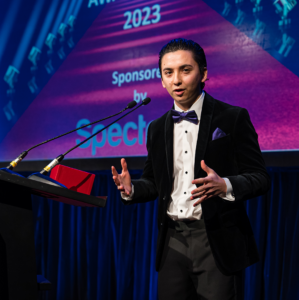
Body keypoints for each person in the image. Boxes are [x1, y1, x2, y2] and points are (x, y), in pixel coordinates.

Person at [111, 38, 270, 300]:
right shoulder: (156, 128)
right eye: (168, 72)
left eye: (185, 70)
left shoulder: (232, 117)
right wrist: (132, 189)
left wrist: (225, 185)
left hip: (216, 238)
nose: (176, 80)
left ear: (203, 73)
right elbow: (154, 182)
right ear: (161, 79)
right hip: (173, 241)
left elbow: (261, 178)